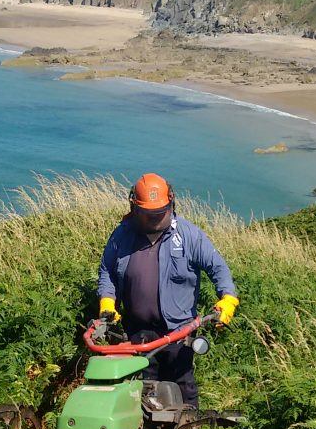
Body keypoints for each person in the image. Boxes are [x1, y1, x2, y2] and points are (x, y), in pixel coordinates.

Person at [96, 173, 238, 409]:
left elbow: (218, 268)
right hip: (137, 333)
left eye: (159, 213)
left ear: (171, 203)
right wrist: (107, 303)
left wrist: (228, 298)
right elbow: (107, 271)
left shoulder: (189, 235)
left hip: (178, 333)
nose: (153, 219)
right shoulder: (122, 235)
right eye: (147, 214)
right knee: (141, 391)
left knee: (183, 387)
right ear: (134, 207)